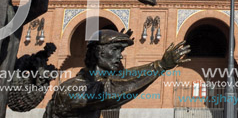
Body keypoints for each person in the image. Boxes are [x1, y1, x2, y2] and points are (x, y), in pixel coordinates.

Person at [43, 29, 189, 117]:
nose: (120, 56)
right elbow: (111, 91)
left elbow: (114, 82)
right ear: (99, 53)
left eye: (121, 51)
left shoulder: (93, 82)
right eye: (115, 50)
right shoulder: (72, 88)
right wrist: (160, 66)